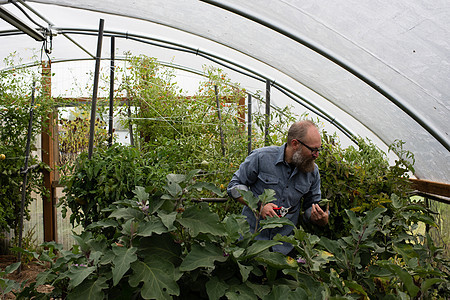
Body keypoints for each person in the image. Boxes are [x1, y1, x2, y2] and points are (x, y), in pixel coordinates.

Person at [227, 120, 329, 255]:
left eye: (318, 149)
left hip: (284, 248)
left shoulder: (312, 172)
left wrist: (320, 217)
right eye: (313, 150)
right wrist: (259, 205)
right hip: (251, 243)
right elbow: (234, 186)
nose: (316, 155)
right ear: (295, 144)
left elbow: (311, 206)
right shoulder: (261, 157)